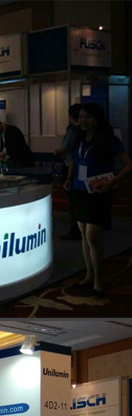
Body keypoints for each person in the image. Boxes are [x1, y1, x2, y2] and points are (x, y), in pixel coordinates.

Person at [63, 102, 132, 295]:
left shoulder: (109, 140)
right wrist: (68, 178)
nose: (83, 120)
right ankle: (89, 275)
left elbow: (128, 165)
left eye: (88, 117)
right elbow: (75, 161)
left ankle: (98, 279)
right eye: (81, 117)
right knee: (84, 236)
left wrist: (111, 182)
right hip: (78, 190)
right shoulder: (79, 138)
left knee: (93, 237)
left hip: (98, 192)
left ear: (97, 119)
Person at [55, 103, 82, 240]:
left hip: (70, 167)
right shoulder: (86, 132)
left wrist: (58, 151)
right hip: (81, 168)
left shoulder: (72, 131)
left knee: (74, 201)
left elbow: (64, 148)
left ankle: (75, 230)